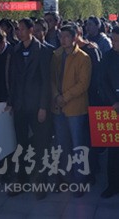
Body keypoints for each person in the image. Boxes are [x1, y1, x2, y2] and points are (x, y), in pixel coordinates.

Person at [7, 17, 53, 193]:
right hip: (20, 105)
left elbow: (46, 82)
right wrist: (11, 102)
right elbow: (13, 78)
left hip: (36, 106)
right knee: (21, 144)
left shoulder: (43, 51)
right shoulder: (16, 50)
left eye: (22, 29)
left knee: (41, 145)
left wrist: (43, 107)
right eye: (17, 29)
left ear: (31, 30)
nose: (19, 32)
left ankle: (41, 182)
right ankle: (22, 180)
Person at [50, 24, 92, 190]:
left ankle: (80, 180)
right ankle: (66, 178)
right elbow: (51, 79)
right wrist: (56, 96)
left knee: (78, 146)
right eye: (61, 36)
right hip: (58, 107)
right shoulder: (56, 55)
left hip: (75, 108)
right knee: (62, 145)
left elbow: (83, 84)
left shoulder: (83, 58)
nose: (63, 40)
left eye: (67, 36)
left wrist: (64, 97)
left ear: (75, 38)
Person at [100, 25, 119, 198]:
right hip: (112, 108)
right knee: (113, 150)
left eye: (117, 40)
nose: (114, 43)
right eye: (112, 39)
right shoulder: (107, 56)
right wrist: (113, 101)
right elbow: (103, 81)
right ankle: (112, 184)